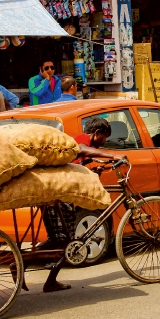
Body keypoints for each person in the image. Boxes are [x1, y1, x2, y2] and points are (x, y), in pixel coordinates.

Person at [42, 117, 127, 293]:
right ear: (97, 133)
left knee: (57, 240)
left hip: (59, 193)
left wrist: (91, 170)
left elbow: (74, 164)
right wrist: (113, 155)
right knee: (64, 241)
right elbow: (81, 149)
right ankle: (44, 278)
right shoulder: (80, 140)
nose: (104, 142)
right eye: (104, 138)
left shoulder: (82, 147)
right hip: (58, 196)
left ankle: (36, 271)